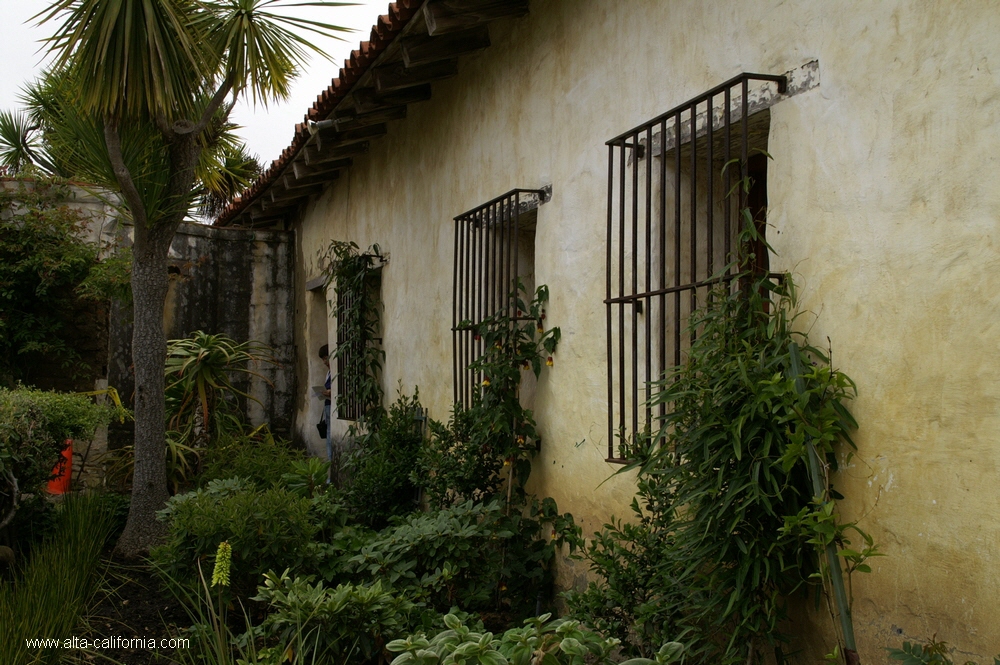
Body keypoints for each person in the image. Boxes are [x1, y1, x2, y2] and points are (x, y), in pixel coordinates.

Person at [318, 344, 332, 479]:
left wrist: (330, 392)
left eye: (325, 358)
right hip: (328, 406)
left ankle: (331, 477)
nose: (324, 362)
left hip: (332, 406)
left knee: (330, 440)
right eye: (323, 359)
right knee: (328, 439)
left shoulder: (335, 371)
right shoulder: (329, 373)